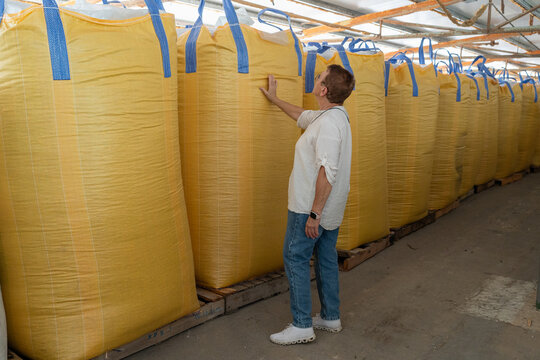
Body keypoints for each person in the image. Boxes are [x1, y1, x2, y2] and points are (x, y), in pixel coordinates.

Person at [259, 64, 354, 345]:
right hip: (331, 209)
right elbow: (301, 116)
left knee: (295, 258)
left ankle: (301, 325)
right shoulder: (334, 116)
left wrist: (314, 214)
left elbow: (327, 171)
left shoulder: (327, 125)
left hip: (309, 209)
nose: (314, 79)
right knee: (325, 259)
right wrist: (274, 99)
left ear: (323, 90)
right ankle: (330, 316)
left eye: (318, 78)